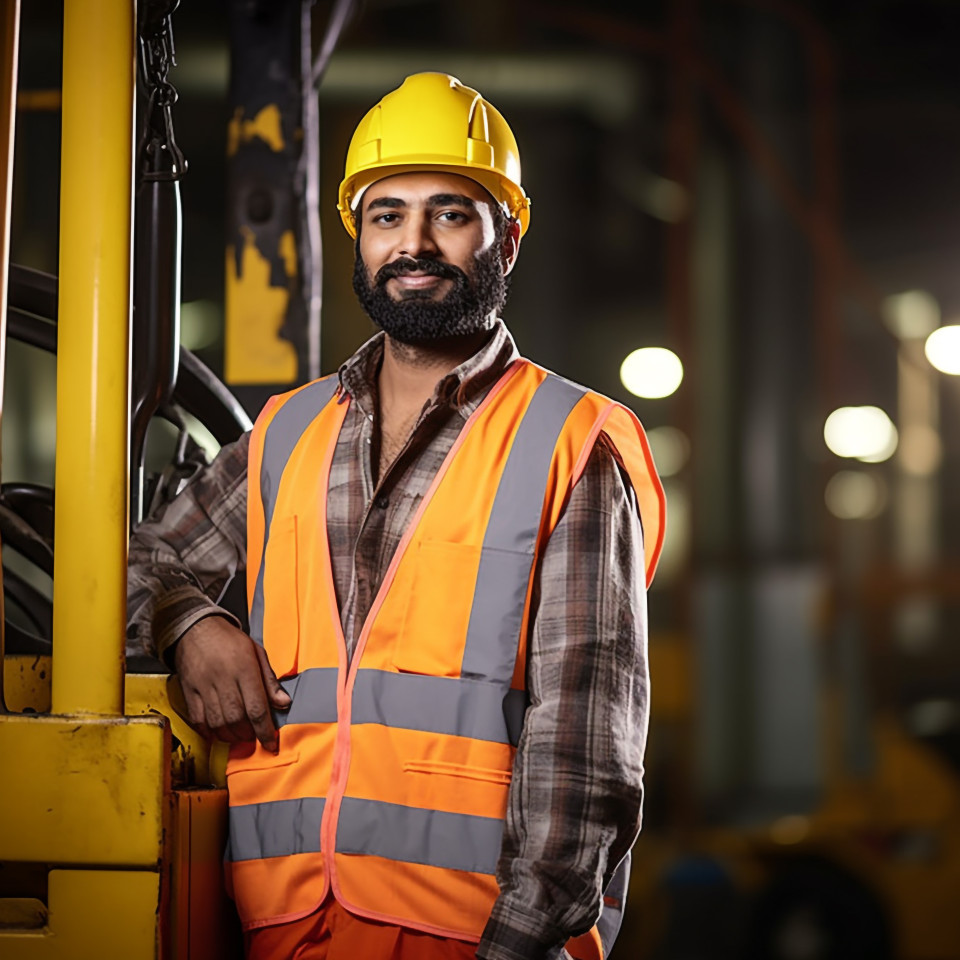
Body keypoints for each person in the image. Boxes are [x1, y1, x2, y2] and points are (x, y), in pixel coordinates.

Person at [127, 72, 665, 960]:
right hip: (286, 926)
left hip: (474, 936)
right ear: (360, 236)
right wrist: (192, 624)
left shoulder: (569, 441)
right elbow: (137, 564)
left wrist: (517, 944)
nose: (414, 242)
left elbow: (586, 756)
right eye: (387, 216)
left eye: (451, 213)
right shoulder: (290, 430)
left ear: (509, 238)